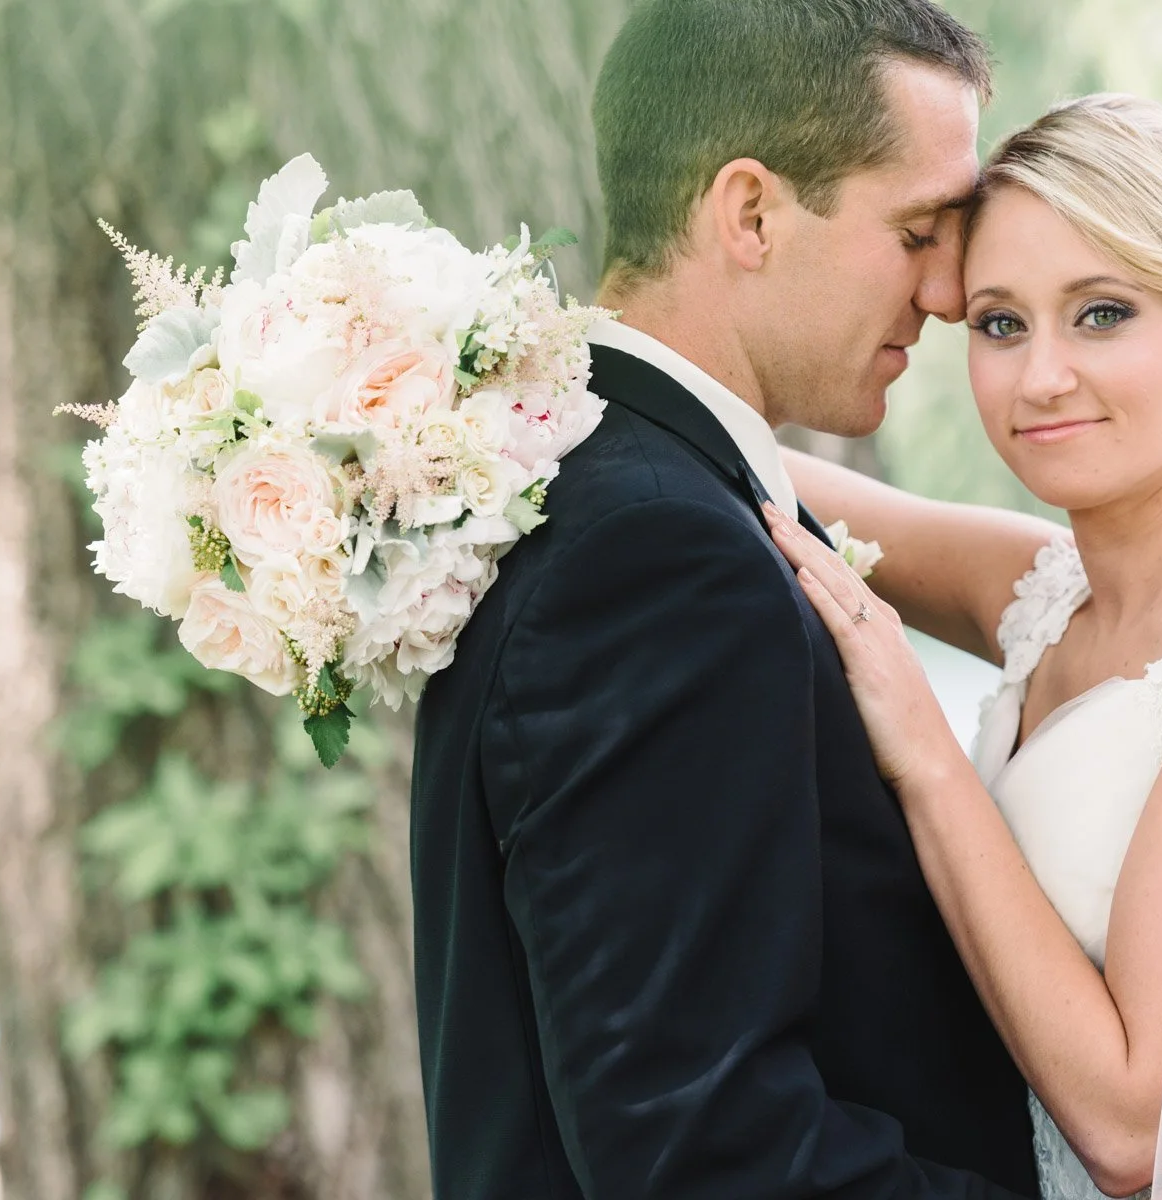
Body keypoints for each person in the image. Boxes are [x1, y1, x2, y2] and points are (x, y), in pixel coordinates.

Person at [409, 2, 1039, 1196]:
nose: (953, 292)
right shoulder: (656, 554)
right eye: (918, 229)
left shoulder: (608, 480)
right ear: (750, 212)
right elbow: (703, 1151)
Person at [772, 93, 1162, 1199]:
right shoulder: (1040, 590)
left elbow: (1132, 1125)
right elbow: (759, 471)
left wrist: (928, 753)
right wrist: (491, 381)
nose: (1041, 376)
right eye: (1001, 324)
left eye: (1101, 313)